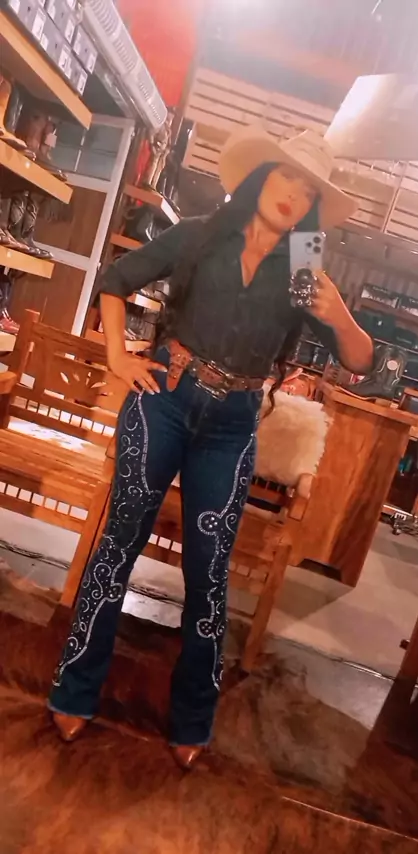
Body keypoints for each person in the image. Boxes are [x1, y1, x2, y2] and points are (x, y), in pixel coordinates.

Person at [48, 126, 374, 769]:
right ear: (262, 175)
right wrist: (118, 356)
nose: (293, 193)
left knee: (209, 571)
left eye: (308, 189)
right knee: (119, 544)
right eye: (286, 175)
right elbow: (115, 280)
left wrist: (338, 315)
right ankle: (74, 689)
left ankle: (193, 717)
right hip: (164, 399)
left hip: (232, 426)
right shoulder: (201, 233)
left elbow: (359, 361)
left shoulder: (305, 268)